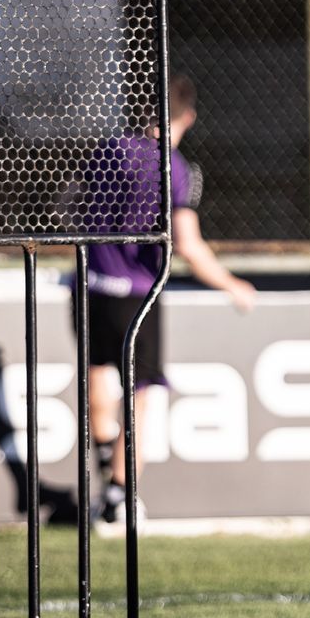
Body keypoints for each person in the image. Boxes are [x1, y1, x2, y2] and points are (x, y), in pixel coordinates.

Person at [79, 74, 256, 524]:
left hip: (91, 284)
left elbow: (71, 205)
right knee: (142, 394)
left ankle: (105, 463)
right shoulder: (175, 168)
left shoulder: (107, 151)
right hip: (137, 295)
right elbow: (189, 244)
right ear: (188, 117)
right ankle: (119, 496)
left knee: (98, 372)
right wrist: (232, 284)